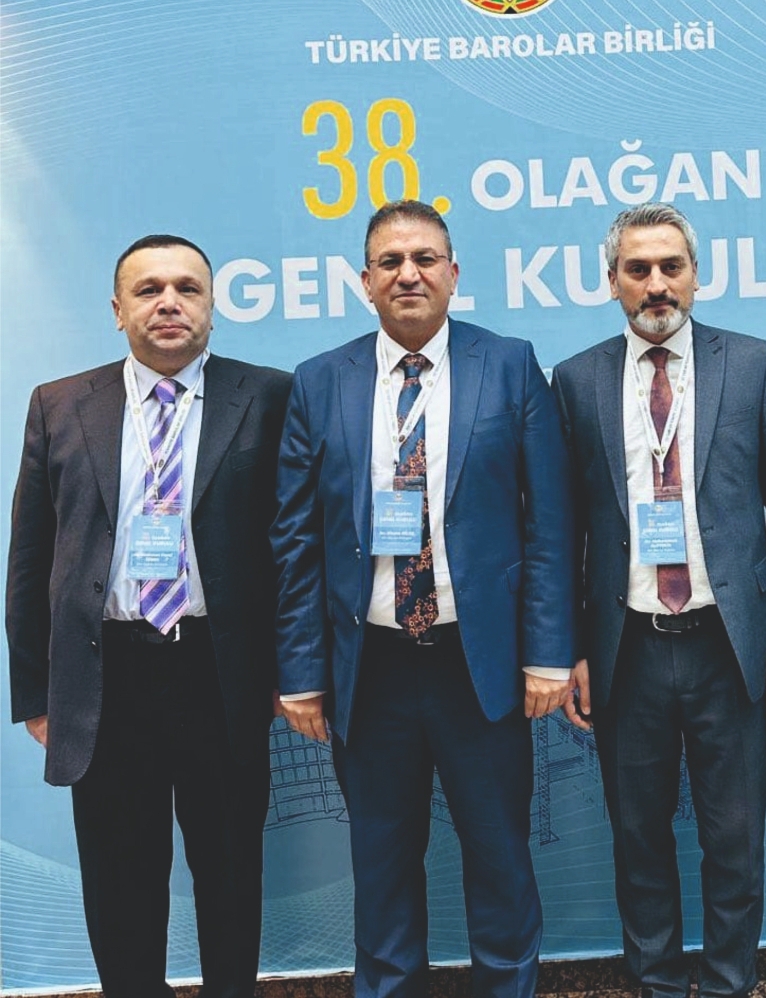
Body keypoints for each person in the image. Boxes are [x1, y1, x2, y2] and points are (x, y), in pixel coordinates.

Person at [271, 200, 575, 998]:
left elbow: (549, 523)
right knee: (380, 862)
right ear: (364, 281)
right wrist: (301, 671)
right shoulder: (320, 381)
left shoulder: (508, 365)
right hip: (369, 669)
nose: (409, 273)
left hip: (478, 665)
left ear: (453, 273)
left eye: (425, 258)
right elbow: (295, 542)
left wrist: (548, 653)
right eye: (390, 261)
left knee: (500, 856)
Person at [5, 235, 292, 997]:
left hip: (220, 671)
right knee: (119, 876)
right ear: (117, 309)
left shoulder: (268, 396)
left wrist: (291, 671)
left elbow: (296, 548)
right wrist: (36, 693)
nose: (169, 303)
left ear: (212, 306)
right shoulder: (60, 403)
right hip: (106, 675)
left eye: (187, 289)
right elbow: (31, 557)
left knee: (230, 867)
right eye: (149, 289)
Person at [550, 203, 766, 998]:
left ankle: (730, 982)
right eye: (638, 269)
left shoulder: (755, 365)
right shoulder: (577, 380)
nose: (657, 284)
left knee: (735, 838)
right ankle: (658, 983)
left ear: (697, 275)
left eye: (671, 266)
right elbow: (563, 532)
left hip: (728, 645)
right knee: (638, 838)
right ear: (612, 282)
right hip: (627, 647)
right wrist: (572, 652)